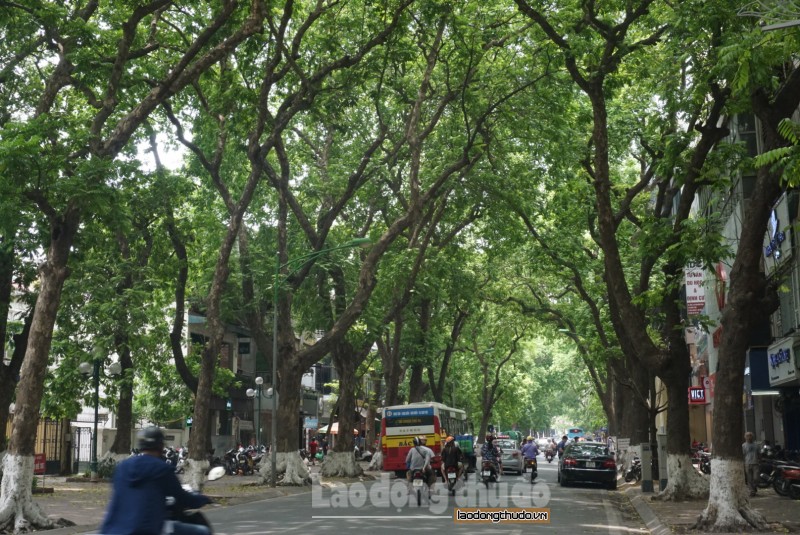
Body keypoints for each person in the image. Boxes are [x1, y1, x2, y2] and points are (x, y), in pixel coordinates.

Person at [100, 427, 212, 535]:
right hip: (145, 530)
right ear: (161, 446)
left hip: (111, 529)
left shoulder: (122, 467)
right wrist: (203, 499)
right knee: (202, 531)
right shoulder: (162, 469)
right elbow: (182, 497)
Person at [743, 431, 760, 497]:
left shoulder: (756, 445)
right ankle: (752, 491)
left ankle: (754, 487)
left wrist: (760, 460)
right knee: (749, 478)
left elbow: (759, 454)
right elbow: (743, 455)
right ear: (745, 437)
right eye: (747, 436)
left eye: (750, 436)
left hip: (755, 463)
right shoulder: (743, 446)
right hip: (747, 463)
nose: (749, 437)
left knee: (756, 478)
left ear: (752, 437)